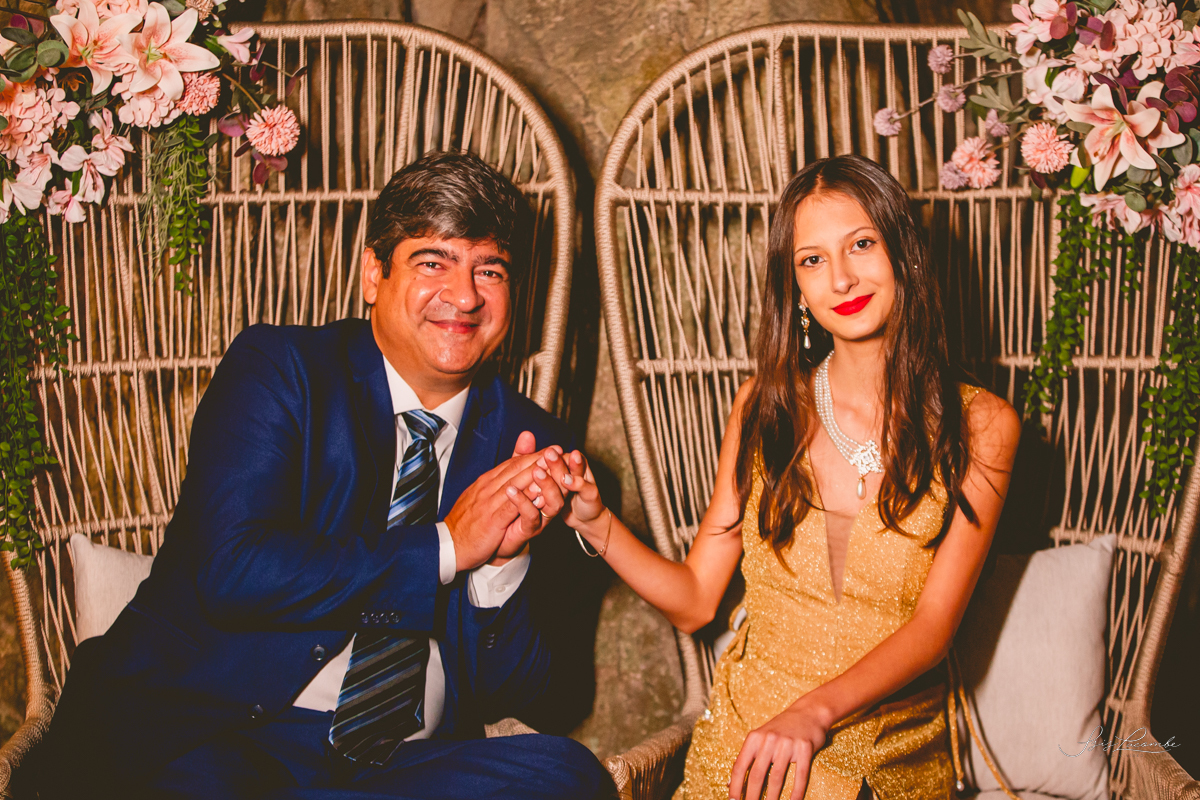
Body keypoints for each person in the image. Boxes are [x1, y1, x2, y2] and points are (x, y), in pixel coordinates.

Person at [34, 151, 613, 800]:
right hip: (216, 731)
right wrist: (448, 547)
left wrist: (502, 568)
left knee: (569, 778)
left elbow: (535, 696)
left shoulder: (532, 444)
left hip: (397, 770)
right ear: (373, 274)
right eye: (433, 262)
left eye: (490, 270)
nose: (465, 295)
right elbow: (234, 570)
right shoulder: (280, 370)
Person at [539, 155, 1021, 800]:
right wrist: (597, 525)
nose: (841, 277)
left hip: (885, 755)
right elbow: (695, 601)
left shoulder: (984, 425)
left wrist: (812, 715)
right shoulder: (763, 407)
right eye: (812, 260)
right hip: (743, 748)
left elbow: (933, 629)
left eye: (862, 244)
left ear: (903, 254)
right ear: (795, 288)